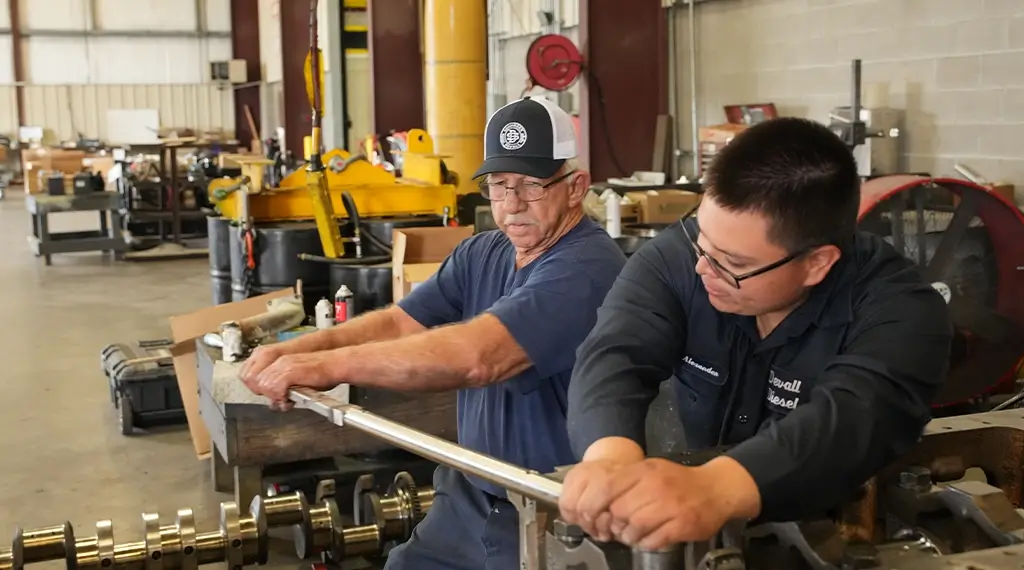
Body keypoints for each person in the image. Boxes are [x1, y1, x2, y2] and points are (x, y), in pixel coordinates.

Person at [240, 96, 626, 570]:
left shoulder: (588, 268)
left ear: (575, 186)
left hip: (547, 510)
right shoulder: (484, 252)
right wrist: (298, 349)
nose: (512, 204)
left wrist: (323, 367)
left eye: (532, 185)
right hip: (468, 491)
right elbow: (399, 321)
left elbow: (480, 356)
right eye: (499, 185)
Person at [558, 117, 953, 550]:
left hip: (834, 538)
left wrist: (715, 489)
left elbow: (855, 414)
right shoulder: (687, 257)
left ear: (817, 262)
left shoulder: (901, 312)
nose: (702, 268)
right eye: (701, 239)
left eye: (735, 263)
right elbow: (616, 353)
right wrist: (610, 460)